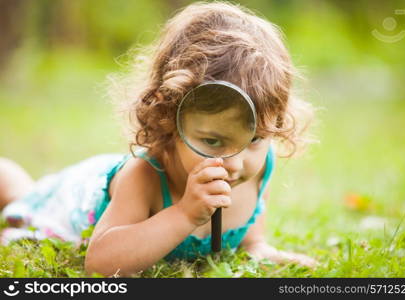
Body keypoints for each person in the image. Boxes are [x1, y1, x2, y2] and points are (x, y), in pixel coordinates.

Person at [0, 2, 317, 277]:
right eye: (213, 141)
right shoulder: (145, 175)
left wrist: (257, 247)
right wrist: (183, 215)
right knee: (20, 198)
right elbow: (99, 265)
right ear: (168, 121)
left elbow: (250, 232)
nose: (234, 163)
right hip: (76, 199)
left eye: (255, 139)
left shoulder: (261, 166)